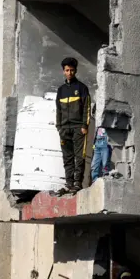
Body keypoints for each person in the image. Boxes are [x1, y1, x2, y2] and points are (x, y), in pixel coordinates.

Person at [55, 57, 91, 193]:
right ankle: (69, 184)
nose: (69, 72)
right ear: (63, 72)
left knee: (79, 156)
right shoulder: (61, 90)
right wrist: (59, 127)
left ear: (75, 71)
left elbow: (87, 108)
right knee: (67, 157)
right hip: (64, 129)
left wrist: (85, 125)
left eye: (71, 70)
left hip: (78, 128)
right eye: (67, 70)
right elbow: (58, 109)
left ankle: (77, 184)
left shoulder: (82, 88)